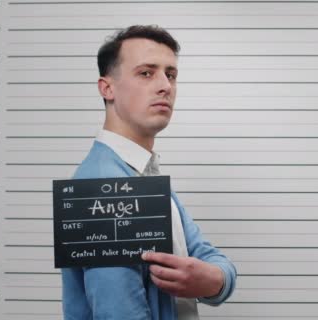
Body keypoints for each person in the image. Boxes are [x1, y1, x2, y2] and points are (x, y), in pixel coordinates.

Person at [61, 25, 237, 320]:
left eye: (171, 74)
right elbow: (119, 314)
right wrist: (214, 279)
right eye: (146, 73)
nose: (165, 86)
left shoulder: (145, 174)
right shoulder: (101, 185)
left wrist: (214, 280)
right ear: (107, 88)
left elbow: (209, 257)